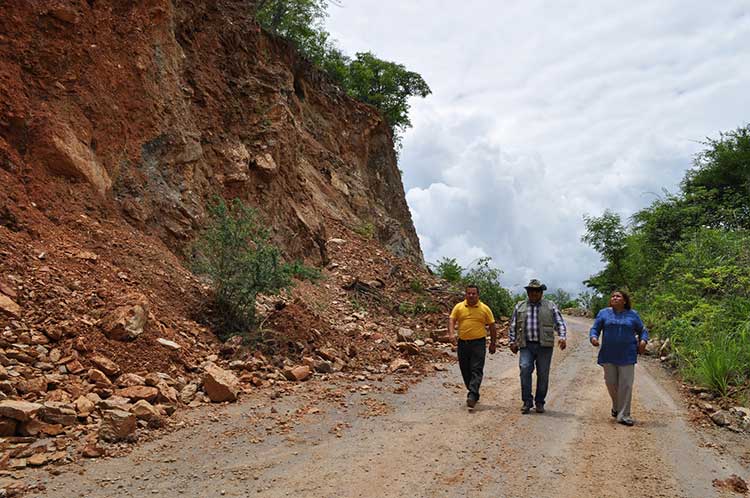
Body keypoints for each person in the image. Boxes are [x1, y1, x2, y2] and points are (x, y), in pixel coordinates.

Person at [589, 290, 648, 426]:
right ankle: (616, 406)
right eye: (613, 296)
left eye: (618, 296)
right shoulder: (604, 313)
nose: (614, 298)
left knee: (626, 385)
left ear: (625, 300)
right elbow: (595, 328)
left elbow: (642, 330)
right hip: (608, 354)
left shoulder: (633, 315)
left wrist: (643, 341)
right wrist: (593, 337)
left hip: (627, 354)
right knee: (611, 383)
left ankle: (624, 415)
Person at [509, 279, 567, 414]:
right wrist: (512, 341)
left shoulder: (550, 306)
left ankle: (540, 402)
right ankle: (527, 401)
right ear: (527, 292)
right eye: (531, 291)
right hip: (526, 345)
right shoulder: (520, 306)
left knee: (543, 374)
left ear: (541, 292)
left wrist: (562, 337)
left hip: (544, 346)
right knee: (524, 369)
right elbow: (513, 325)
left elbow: (560, 323)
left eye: (537, 291)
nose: (534, 293)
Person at [449, 285, 498, 409]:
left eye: (474, 293)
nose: (471, 296)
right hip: (463, 343)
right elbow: (452, 320)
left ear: (478, 295)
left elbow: (492, 326)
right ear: (465, 294)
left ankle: (472, 394)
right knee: (465, 369)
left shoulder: (485, 309)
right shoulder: (459, 307)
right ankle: (474, 392)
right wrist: (451, 333)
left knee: (476, 368)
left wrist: (493, 343)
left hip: (478, 343)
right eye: (469, 293)